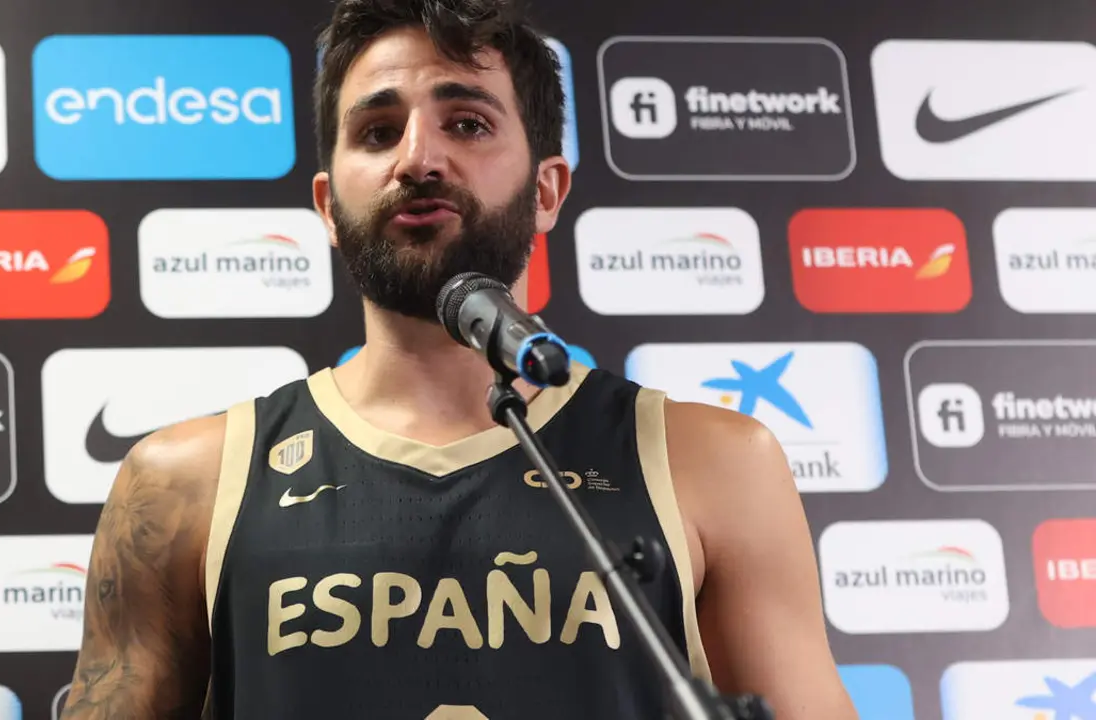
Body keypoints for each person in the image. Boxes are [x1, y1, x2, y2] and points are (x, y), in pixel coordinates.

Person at [59, 0, 860, 718]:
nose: (417, 158)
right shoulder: (183, 481)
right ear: (328, 205)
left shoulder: (714, 462)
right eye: (377, 132)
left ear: (548, 191)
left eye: (467, 124)